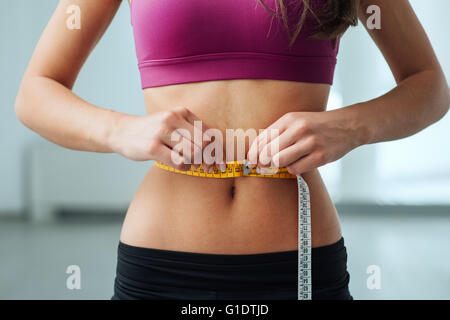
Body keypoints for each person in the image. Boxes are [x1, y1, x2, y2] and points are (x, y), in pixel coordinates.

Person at [15, 0, 449, 300]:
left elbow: (428, 85)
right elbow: (36, 93)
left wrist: (351, 126)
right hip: (161, 266)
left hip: (300, 265)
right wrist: (120, 131)